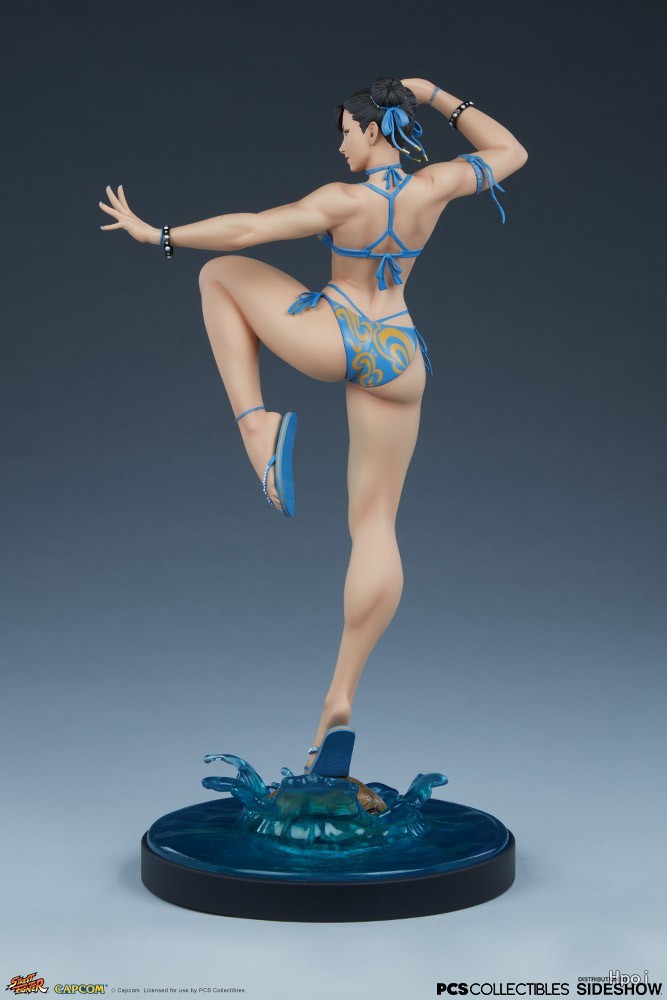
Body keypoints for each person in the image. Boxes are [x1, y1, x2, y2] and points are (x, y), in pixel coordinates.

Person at [98, 75, 528, 778]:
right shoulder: (435, 186)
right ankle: (341, 694)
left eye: (346, 132)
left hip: (336, 336)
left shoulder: (343, 200)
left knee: (220, 277)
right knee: (377, 523)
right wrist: (433, 94)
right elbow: (510, 151)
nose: (341, 146)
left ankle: (255, 427)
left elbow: (249, 229)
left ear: (372, 130)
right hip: (400, 355)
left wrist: (162, 235)